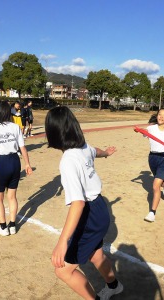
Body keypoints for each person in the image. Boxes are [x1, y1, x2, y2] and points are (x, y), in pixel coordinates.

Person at [45, 106, 123, 300]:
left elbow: (78, 203)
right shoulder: (83, 146)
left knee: (63, 271)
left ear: (53, 132)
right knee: (96, 254)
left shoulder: (68, 161)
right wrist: (106, 152)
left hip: (90, 214)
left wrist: (62, 242)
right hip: (100, 209)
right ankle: (114, 285)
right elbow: (94, 151)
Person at [0, 101, 32, 236]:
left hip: (1, 162)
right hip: (15, 161)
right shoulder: (15, 127)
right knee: (12, 196)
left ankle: (3, 227)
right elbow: (22, 148)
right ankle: (12, 225)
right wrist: (27, 164)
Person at [136, 108, 164, 223]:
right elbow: (144, 132)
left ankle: (152, 213)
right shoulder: (151, 128)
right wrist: (138, 130)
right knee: (159, 182)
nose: (161, 117)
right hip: (152, 158)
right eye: (159, 115)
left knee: (155, 186)